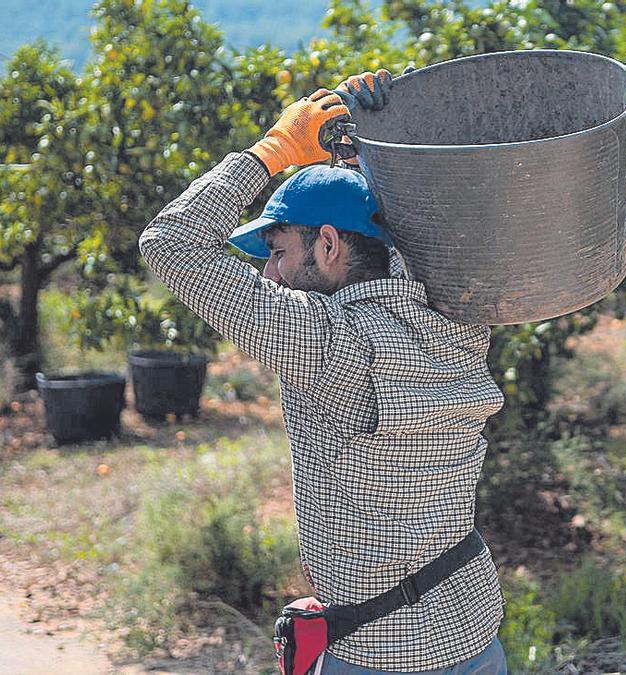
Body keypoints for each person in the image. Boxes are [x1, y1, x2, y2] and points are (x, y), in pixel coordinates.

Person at [139, 71, 508, 674]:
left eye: (279, 252)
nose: (270, 277)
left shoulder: (326, 343)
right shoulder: (456, 316)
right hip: (470, 629)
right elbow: (415, 237)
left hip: (377, 652)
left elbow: (170, 241)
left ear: (330, 245)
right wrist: (372, 147)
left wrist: (271, 154)